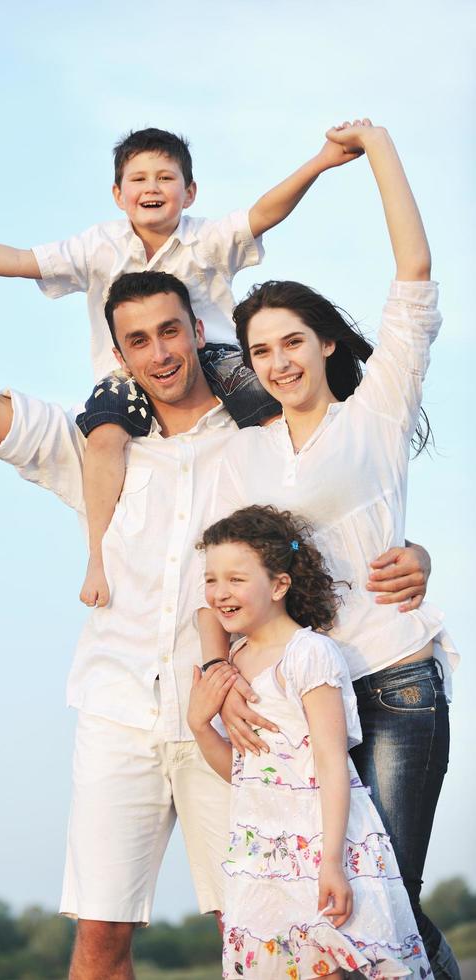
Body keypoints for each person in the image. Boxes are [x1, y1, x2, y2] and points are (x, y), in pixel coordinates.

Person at [0, 241, 430, 980]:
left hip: (235, 713)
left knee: (265, 924)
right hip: (117, 710)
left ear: (196, 332)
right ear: (119, 354)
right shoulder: (96, 448)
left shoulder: (255, 443)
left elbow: (338, 520)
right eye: (138, 340)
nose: (160, 351)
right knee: (100, 940)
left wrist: (416, 553)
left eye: (171, 330)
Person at [0, 126, 365, 609]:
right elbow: (23, 260)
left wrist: (321, 161)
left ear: (189, 192)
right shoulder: (99, 245)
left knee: (278, 427)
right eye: (139, 179)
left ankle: (311, 520)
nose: (152, 188)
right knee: (104, 438)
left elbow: (264, 212)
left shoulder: (204, 238)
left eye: (166, 178)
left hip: (217, 358)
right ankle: (97, 555)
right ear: (118, 195)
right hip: (125, 378)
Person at [206, 121, 460, 979]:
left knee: (391, 892)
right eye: (260, 351)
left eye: (291, 341)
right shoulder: (243, 455)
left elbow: (414, 278)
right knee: (334, 905)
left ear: (325, 344)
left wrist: (381, 149)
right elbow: (209, 579)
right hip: (300, 696)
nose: (278, 361)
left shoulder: (377, 414)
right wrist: (217, 670)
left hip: (393, 677)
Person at [188, 504, 432, 979]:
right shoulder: (233, 664)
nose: (220, 593)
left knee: (339, 966)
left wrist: (333, 863)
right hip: (262, 857)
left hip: (321, 847)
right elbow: (246, 776)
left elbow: (332, 763)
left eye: (236, 579)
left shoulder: (310, 655)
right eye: (211, 580)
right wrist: (200, 727)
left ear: (279, 585)